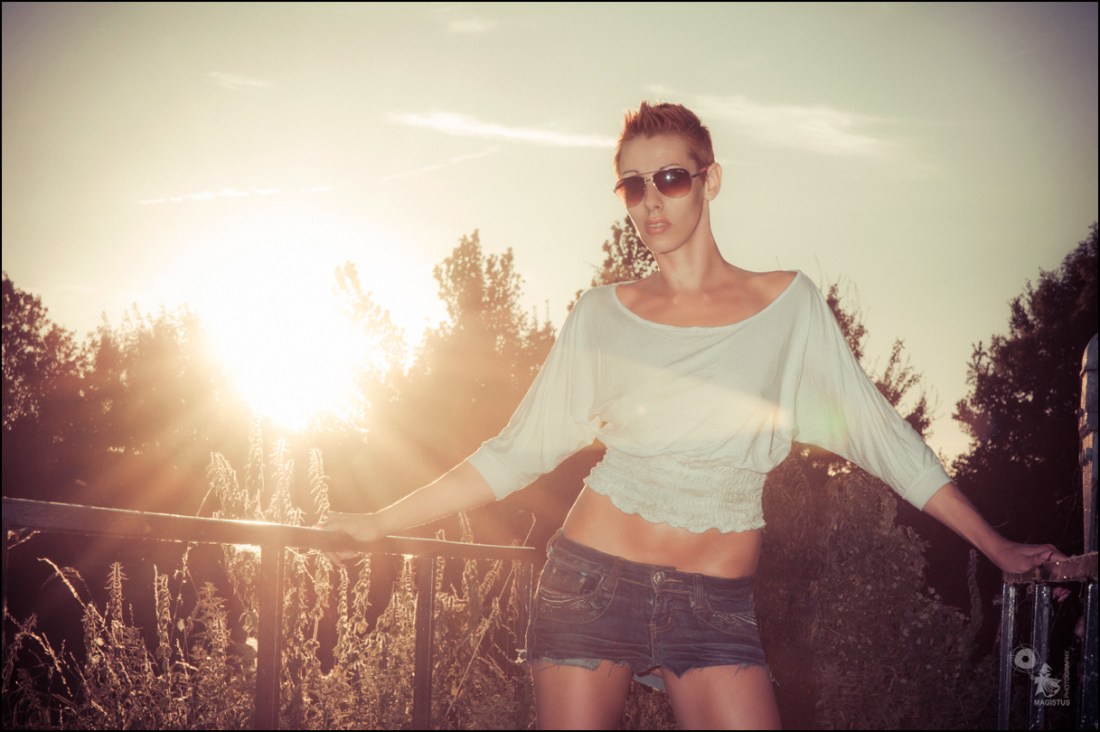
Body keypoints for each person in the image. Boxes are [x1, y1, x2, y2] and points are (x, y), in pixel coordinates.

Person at [320, 102, 1066, 730]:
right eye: (632, 185)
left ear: (710, 180)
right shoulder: (601, 316)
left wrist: (995, 546)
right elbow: (513, 453)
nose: (651, 201)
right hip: (591, 586)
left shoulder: (789, 307)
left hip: (716, 610)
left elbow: (882, 438)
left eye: (671, 178)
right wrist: (382, 520)